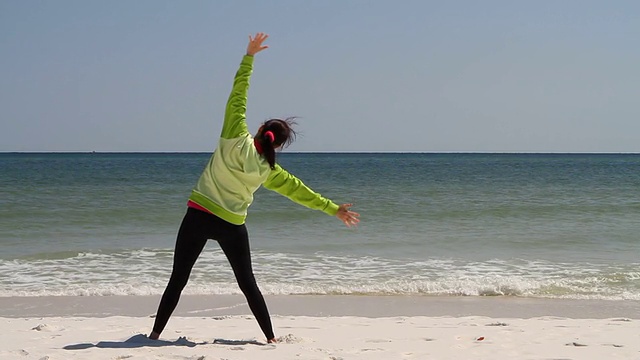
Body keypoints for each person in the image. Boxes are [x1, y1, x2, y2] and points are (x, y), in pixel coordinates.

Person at [148, 32, 360, 344]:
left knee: (178, 278)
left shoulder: (234, 135)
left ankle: (154, 335)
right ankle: (270, 339)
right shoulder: (269, 171)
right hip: (232, 226)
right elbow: (301, 192)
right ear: (279, 145)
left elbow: (238, 94)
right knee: (247, 283)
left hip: (197, 216)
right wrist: (334, 209)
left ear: (260, 129)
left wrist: (249, 57)